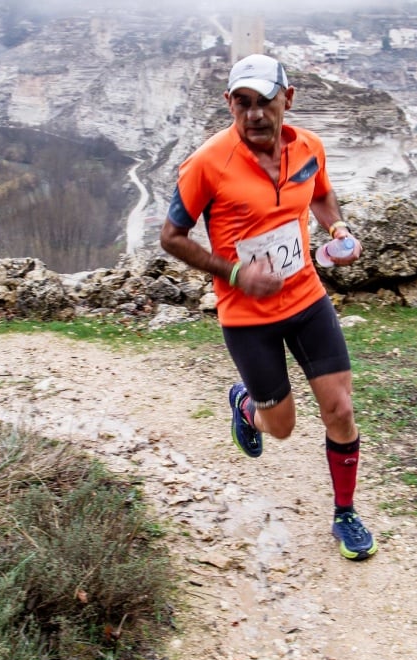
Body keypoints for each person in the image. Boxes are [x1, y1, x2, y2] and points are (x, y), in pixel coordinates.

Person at [160, 54, 377, 561]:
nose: (254, 115)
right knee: (281, 426)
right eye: (243, 103)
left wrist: (338, 229)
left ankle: (345, 513)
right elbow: (171, 237)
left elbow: (322, 195)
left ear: (289, 99)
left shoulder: (309, 147)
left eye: (265, 102)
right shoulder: (207, 163)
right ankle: (245, 405)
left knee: (340, 409)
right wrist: (236, 274)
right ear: (229, 103)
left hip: (305, 297)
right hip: (246, 315)